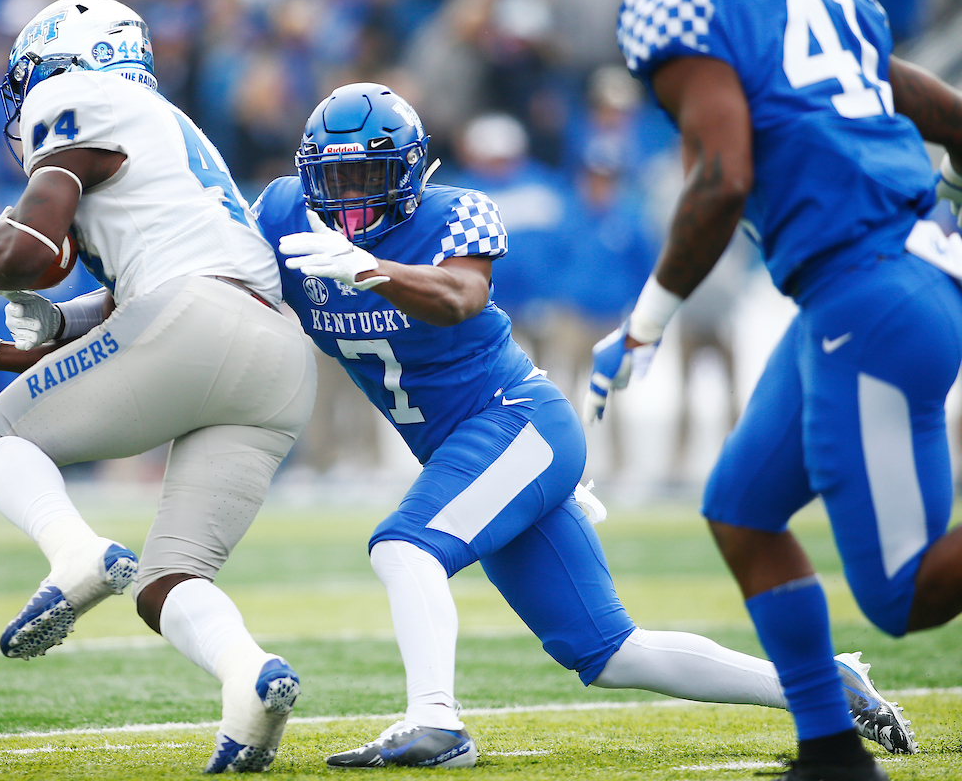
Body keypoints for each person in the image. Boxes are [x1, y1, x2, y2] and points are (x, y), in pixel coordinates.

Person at [250, 82, 915, 770]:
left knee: (404, 547)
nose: (352, 196)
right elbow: (224, 274)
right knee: (609, 652)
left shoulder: (459, 212)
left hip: (517, 423)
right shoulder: (280, 213)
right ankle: (823, 688)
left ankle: (436, 721)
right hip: (464, 448)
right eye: (336, 178)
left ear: (413, 173)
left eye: (369, 176)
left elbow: (460, 296)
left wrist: (375, 270)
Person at [0, 0, 316, 774]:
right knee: (170, 580)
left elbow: (30, 250)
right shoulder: (169, 129)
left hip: (190, 321)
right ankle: (249, 681)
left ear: (63, 60)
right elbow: (130, 311)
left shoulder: (73, 98)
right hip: (276, 360)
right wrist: (1, 347)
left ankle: (74, 554)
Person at [587, 0, 962, 779]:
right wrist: (949, 216)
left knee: (905, 595)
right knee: (742, 510)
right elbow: (953, 118)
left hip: (866, 290)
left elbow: (721, 178)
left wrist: (644, 321)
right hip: (876, 280)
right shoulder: (824, 0)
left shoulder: (686, 9)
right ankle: (830, 751)